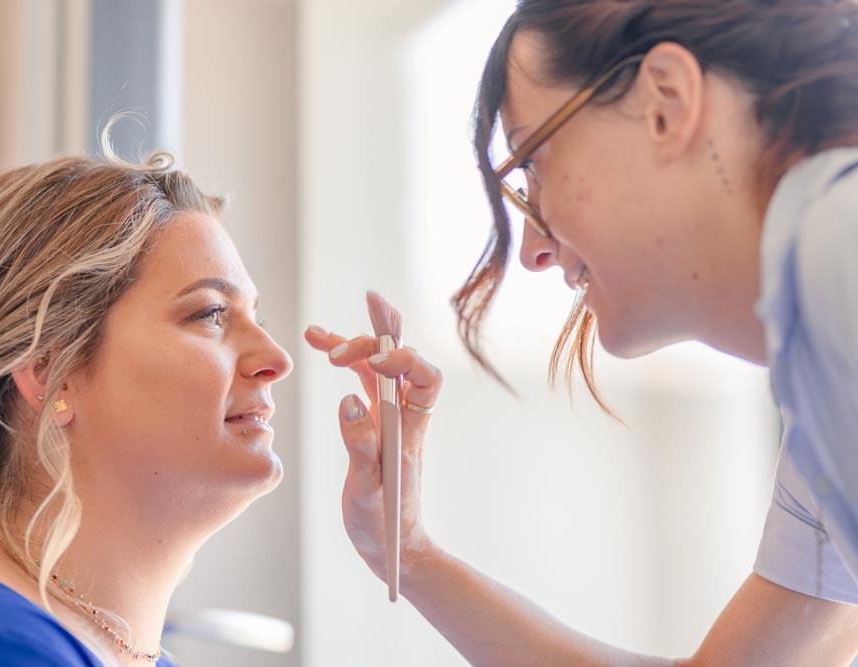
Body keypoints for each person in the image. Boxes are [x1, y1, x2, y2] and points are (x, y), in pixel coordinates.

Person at [306, 0, 858, 664]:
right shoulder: (819, 380)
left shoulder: (838, 253)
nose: (534, 248)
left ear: (666, 102)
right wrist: (409, 550)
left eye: (533, 162)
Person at [0, 142, 292, 666]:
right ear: (49, 371)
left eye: (257, 321)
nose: (276, 359)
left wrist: (410, 550)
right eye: (210, 314)